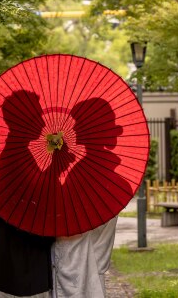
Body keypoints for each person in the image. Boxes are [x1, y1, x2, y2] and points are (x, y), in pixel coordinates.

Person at [52, 97, 131, 298]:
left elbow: (65, 224)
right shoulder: (114, 180)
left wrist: (55, 174)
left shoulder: (85, 176)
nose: (73, 130)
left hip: (75, 273)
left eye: (78, 125)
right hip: (91, 269)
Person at [0, 90, 56, 298]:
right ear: (22, 120)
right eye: (38, 116)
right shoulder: (15, 156)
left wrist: (55, 165)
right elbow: (36, 195)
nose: (43, 123)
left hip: (20, 246)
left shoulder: (18, 152)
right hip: (21, 249)